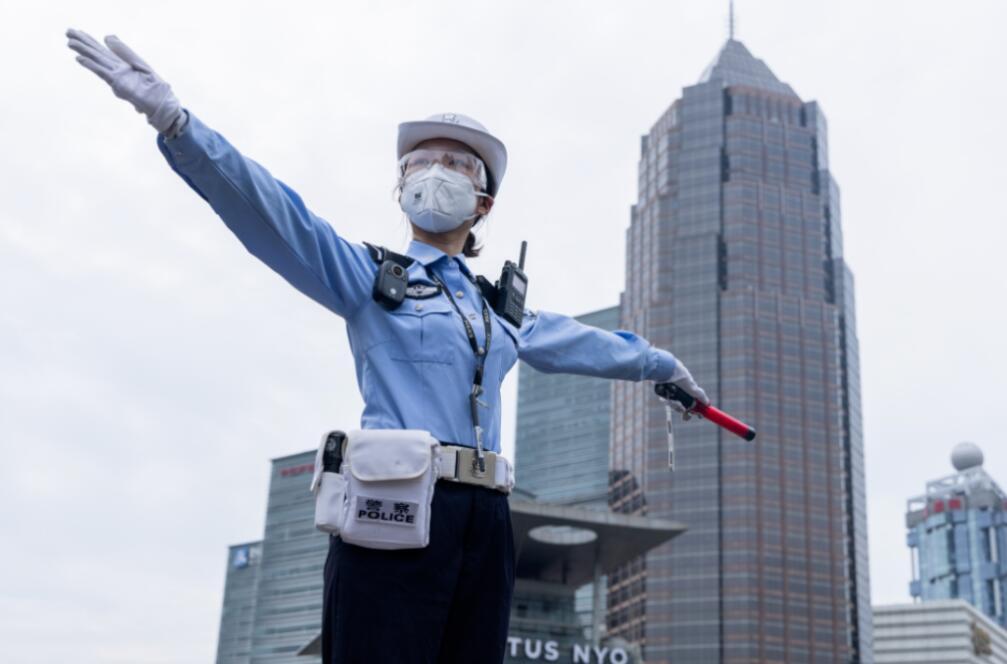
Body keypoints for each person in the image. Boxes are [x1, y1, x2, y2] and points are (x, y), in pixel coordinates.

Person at [65, 29, 710, 663]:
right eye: (420, 163)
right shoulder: (371, 280)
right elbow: (274, 215)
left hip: (488, 524)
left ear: (483, 203)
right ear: (400, 187)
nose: (436, 173)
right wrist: (178, 124)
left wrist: (663, 366)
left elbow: (584, 343)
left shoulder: (500, 311)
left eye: (456, 164)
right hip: (396, 509)